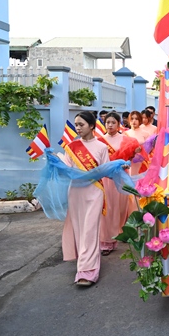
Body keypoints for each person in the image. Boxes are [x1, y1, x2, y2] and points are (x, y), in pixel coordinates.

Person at [60, 111, 110, 286]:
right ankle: (83, 262)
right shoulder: (71, 147)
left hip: (94, 192)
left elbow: (105, 170)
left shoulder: (102, 147)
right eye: (76, 125)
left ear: (92, 126)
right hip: (75, 192)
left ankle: (88, 271)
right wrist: (56, 162)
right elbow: (66, 169)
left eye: (81, 124)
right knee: (80, 229)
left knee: (90, 230)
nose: (78, 128)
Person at [97, 112, 140, 256]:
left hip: (121, 177)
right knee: (107, 209)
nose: (110, 125)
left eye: (113, 122)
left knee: (121, 208)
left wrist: (128, 163)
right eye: (107, 122)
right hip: (106, 179)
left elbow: (132, 158)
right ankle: (106, 241)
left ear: (118, 124)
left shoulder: (126, 140)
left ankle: (118, 233)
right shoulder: (99, 141)